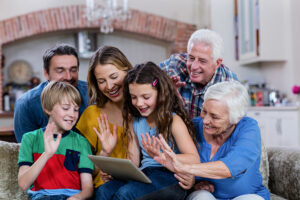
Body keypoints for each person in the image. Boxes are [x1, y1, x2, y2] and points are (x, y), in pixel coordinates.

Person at [95, 61, 200, 200]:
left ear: (160, 93)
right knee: (103, 191)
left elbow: (194, 159)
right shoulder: (136, 121)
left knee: (126, 194)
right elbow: (133, 160)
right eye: (133, 97)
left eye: (146, 97)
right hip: (145, 173)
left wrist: (163, 157)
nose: (139, 103)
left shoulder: (173, 121)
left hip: (170, 176)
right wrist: (116, 172)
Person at [154, 81, 270, 200]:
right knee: (202, 197)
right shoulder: (192, 127)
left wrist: (186, 168)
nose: (205, 121)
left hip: (247, 195)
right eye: (204, 111)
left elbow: (233, 166)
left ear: (235, 119)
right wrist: (193, 183)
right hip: (205, 195)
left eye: (214, 117)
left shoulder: (248, 127)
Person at [17, 81, 94, 200]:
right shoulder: (30, 138)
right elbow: (23, 184)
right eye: (66, 108)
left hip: (72, 197)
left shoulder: (82, 142)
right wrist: (46, 154)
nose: (72, 114)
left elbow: (88, 189)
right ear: (48, 108)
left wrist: (76, 198)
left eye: (75, 109)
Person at [75, 46, 132, 193]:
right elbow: (81, 170)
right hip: (103, 188)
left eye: (114, 77)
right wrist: (104, 155)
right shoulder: (91, 115)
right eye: (101, 81)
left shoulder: (144, 109)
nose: (109, 86)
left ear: (127, 71)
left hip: (135, 187)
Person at [14, 44, 89, 143]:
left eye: (73, 70)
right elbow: (26, 150)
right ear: (46, 73)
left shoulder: (91, 94)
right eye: (60, 70)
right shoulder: (26, 104)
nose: (68, 76)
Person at [160, 29, 238, 118]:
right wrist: (162, 85)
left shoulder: (230, 85)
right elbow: (147, 81)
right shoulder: (174, 64)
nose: (194, 66)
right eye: (191, 58)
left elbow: (238, 125)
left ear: (217, 63)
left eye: (202, 61)